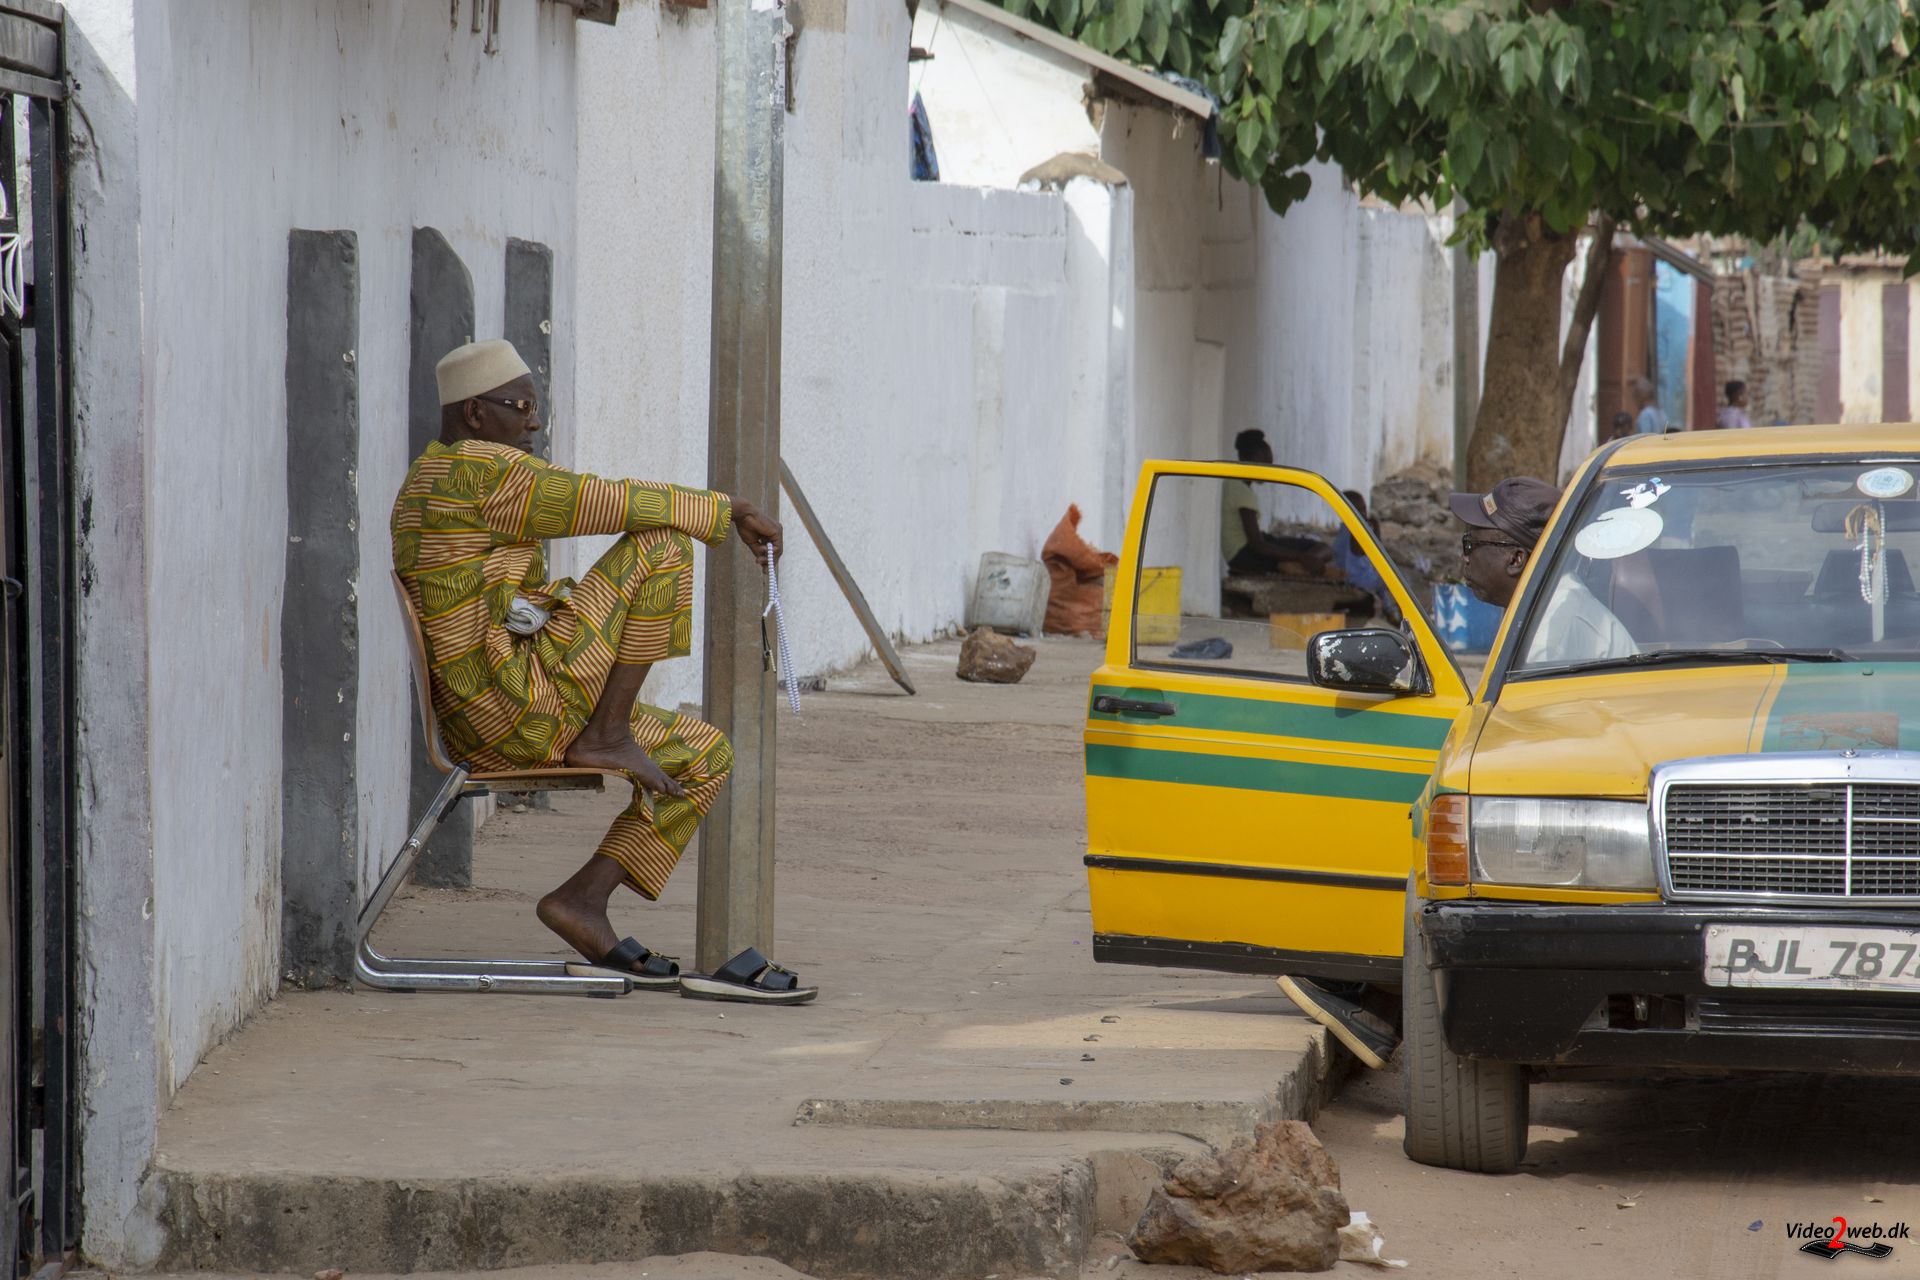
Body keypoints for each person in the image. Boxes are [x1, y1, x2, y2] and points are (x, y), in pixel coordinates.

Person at [391, 339, 814, 1004]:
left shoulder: (431, 477)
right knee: (664, 544)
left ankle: (582, 901)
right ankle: (609, 732)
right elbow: (606, 499)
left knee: (705, 754)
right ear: (475, 413)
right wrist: (730, 509)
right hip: (516, 706)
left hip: (507, 711)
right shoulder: (476, 473)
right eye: (521, 407)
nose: (534, 422)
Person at [1451, 476, 1635, 666]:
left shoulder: (1549, 639)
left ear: (1515, 559)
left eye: (1470, 544)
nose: (1465, 558)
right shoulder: (1543, 605)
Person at [1221, 429, 1333, 575]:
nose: (1270, 472)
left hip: (1241, 553)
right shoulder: (1241, 491)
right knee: (1322, 549)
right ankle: (1297, 565)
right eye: (1267, 466)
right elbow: (1257, 545)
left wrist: (1301, 557)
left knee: (1323, 548)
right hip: (1244, 557)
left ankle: (1299, 565)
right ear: (1253, 459)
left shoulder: (1234, 482)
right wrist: (1300, 557)